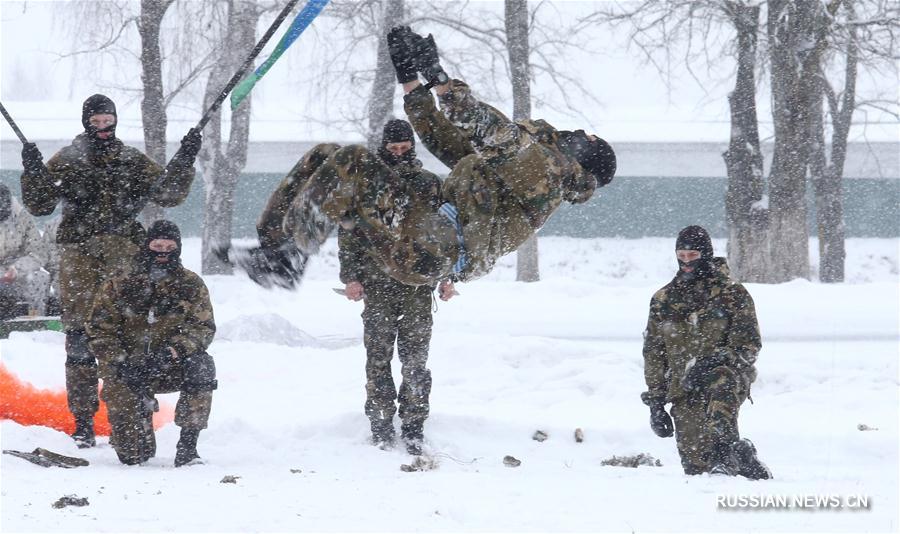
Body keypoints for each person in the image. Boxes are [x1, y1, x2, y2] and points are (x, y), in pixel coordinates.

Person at [222, 26, 616, 290]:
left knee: (355, 162)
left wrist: (444, 84)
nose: (577, 133)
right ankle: (278, 247)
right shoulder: (517, 165)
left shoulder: (548, 173)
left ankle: (290, 259)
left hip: (434, 247)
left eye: (585, 137)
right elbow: (446, 140)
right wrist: (412, 79)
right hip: (426, 221)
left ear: (585, 158)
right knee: (328, 156)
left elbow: (499, 136)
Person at [19, 94, 201, 448]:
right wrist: (34, 171)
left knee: (130, 332)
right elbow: (40, 204)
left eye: (108, 120)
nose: (103, 127)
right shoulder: (69, 160)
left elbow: (167, 193)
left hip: (124, 252)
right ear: (86, 122)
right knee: (81, 338)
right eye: (96, 121)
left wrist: (185, 159)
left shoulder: (131, 159)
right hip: (80, 255)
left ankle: (134, 408)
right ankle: (84, 420)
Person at [339, 119, 457, 455]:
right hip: (377, 284)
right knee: (378, 358)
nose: (400, 154)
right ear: (384, 148)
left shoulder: (430, 185)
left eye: (405, 148)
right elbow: (349, 233)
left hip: (418, 286)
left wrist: (447, 276)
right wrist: (350, 276)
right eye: (394, 149)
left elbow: (446, 235)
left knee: (415, 361)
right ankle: (380, 423)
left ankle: (414, 426)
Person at [640, 226, 771, 480]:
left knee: (720, 381)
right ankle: (744, 458)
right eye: (682, 255)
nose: (687, 262)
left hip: (727, 377)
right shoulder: (663, 299)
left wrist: (713, 360)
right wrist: (656, 404)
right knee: (697, 468)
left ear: (706, 254)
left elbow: (748, 346)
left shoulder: (732, 293)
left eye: (693, 256)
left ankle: (724, 452)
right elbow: (654, 353)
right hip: (683, 386)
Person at [86, 220, 217, 467]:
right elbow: (98, 330)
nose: (163, 252)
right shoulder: (119, 282)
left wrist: (172, 352)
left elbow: (202, 328)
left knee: (202, 366)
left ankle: (188, 447)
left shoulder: (191, 284)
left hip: (169, 365)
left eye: (170, 246)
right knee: (133, 456)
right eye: (157, 245)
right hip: (126, 369)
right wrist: (120, 362)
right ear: (147, 246)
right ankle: (138, 429)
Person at [0, 184, 51, 318]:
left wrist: (17, 269)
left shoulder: (22, 218)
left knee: (40, 278)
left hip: (17, 271)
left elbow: (38, 253)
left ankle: (34, 320)